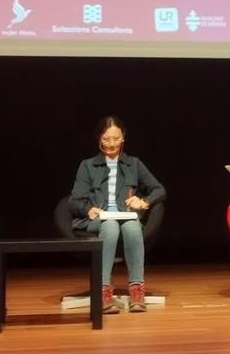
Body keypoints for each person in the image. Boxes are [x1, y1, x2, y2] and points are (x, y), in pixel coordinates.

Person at [69, 116, 166, 313]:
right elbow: (74, 201)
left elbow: (159, 190)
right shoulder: (87, 165)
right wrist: (88, 209)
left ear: (123, 139)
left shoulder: (134, 164)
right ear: (99, 139)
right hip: (100, 220)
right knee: (110, 225)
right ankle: (103, 289)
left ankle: (137, 290)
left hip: (126, 216)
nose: (111, 144)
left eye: (116, 138)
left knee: (131, 227)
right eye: (106, 139)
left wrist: (144, 202)